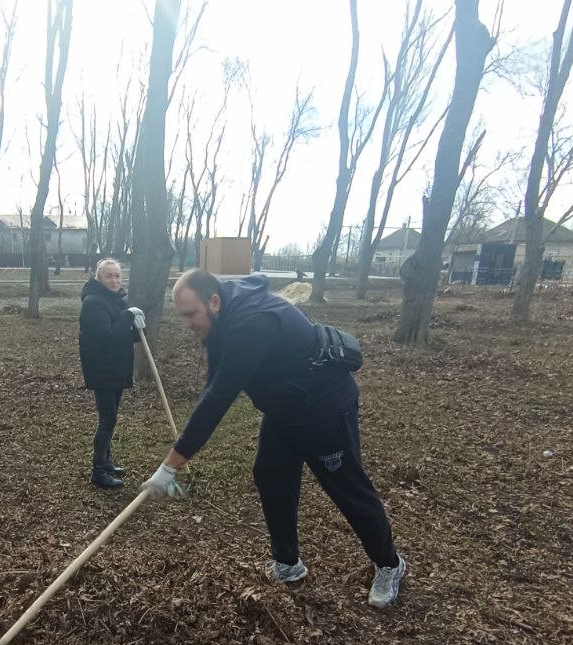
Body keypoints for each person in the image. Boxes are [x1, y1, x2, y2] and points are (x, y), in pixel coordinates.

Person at [141, 269, 406, 608]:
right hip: (284, 409)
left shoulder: (251, 324)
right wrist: (177, 458)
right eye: (183, 316)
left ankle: (389, 564)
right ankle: (288, 563)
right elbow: (214, 386)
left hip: (323, 407)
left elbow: (220, 398)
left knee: (347, 488)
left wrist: (170, 466)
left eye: (191, 315)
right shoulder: (224, 314)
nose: (188, 323)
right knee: (271, 476)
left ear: (214, 301)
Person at [78, 258, 144, 488]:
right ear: (99, 278)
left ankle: (106, 462)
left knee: (111, 416)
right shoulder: (94, 303)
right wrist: (127, 316)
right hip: (102, 369)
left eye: (117, 275)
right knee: (108, 419)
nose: (114, 280)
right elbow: (107, 337)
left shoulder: (116, 300)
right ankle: (98, 470)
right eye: (109, 276)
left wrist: (136, 327)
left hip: (115, 367)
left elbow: (123, 335)